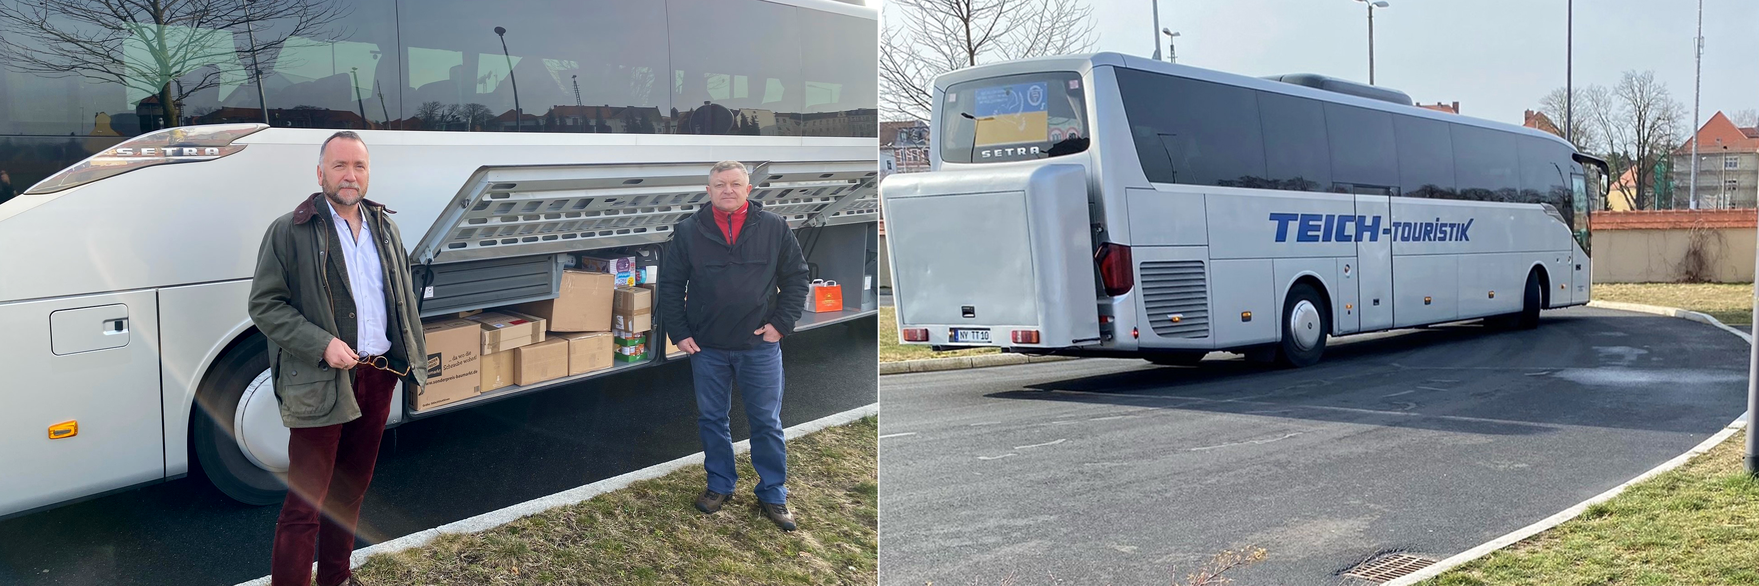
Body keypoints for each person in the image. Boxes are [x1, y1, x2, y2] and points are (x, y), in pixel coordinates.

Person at [247, 131, 427, 586]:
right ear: (320, 172)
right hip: (320, 379)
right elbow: (265, 305)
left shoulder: (386, 227)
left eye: (359, 167)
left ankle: (336, 578)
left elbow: (401, 298)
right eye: (340, 165)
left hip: (377, 375)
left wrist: (410, 357)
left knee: (348, 493)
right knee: (305, 504)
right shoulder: (290, 230)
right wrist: (320, 343)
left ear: (368, 174)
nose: (350, 175)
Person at [657, 160, 811, 531]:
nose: (728, 189)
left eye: (736, 183)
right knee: (712, 418)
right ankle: (720, 484)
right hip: (706, 347)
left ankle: (773, 493)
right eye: (720, 184)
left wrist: (780, 325)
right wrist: (679, 332)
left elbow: (797, 279)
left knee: (766, 422)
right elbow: (671, 286)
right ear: (708, 191)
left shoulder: (774, 228)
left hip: (758, 345)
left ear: (748, 189)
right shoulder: (689, 231)